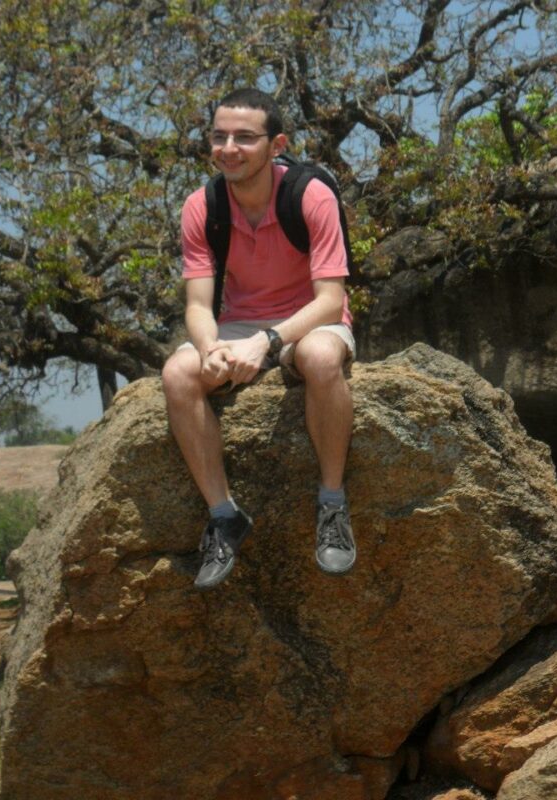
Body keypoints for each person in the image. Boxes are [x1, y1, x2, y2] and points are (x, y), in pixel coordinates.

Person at [162, 88, 356, 590]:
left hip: (307, 319)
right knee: (177, 373)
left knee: (317, 357)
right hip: (238, 323)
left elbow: (331, 301)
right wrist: (210, 349)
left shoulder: (311, 194)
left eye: (245, 138)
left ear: (276, 145)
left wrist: (266, 343)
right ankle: (224, 515)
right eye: (219, 136)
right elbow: (200, 306)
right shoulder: (201, 206)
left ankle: (332, 505)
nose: (229, 147)